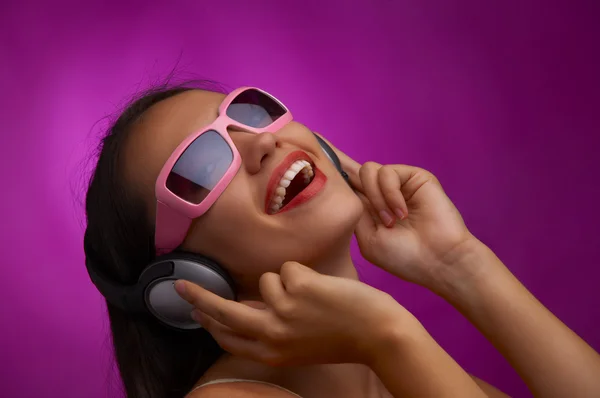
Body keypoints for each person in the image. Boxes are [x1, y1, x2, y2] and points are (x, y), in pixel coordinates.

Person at [83, 82, 600, 398]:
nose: (264, 143)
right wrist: (388, 336)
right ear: (183, 283)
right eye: (200, 165)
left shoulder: (392, 370)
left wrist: (459, 263)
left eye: (248, 113)